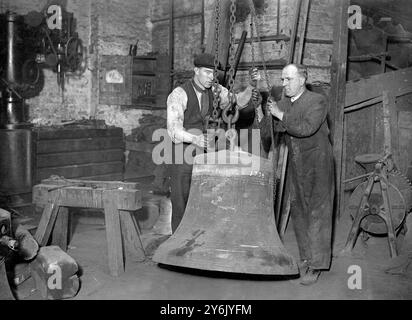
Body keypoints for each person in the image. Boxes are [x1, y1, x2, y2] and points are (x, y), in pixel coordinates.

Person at [257, 63, 335, 285]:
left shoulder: (317, 101)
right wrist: (265, 112)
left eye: (288, 79)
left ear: (302, 79)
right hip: (297, 163)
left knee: (317, 212)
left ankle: (317, 264)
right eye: (282, 79)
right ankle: (306, 258)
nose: (284, 84)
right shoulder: (283, 102)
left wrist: (280, 114)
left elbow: (305, 128)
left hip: (318, 163)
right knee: (299, 210)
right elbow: (266, 133)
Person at [166, 52, 259, 233]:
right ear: (196, 70)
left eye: (214, 74)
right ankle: (177, 247)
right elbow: (173, 130)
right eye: (207, 72)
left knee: (206, 200)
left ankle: (200, 244)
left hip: (206, 154)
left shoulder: (216, 90)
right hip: (182, 154)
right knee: (182, 202)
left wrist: (250, 86)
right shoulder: (178, 94)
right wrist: (195, 138)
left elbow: (237, 102)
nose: (212, 77)